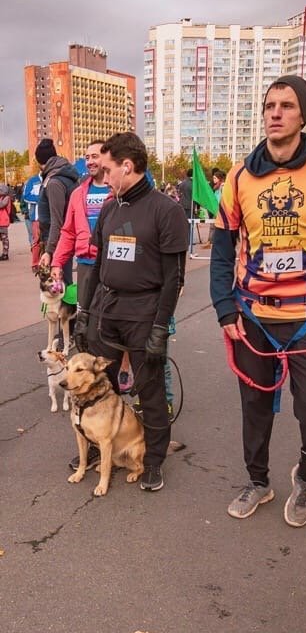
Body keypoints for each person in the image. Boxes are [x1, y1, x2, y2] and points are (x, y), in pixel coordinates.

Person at [210, 74, 306, 526]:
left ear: (303, 115)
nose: (275, 113)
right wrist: (224, 307)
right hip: (252, 315)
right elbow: (222, 250)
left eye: (287, 105)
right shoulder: (238, 177)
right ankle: (258, 481)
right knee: (254, 407)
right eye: (270, 105)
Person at [72, 132, 189, 492]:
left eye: (108, 170)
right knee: (96, 385)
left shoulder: (165, 210)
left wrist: (159, 327)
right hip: (108, 310)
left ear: (127, 166)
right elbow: (97, 264)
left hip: (145, 313)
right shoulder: (109, 208)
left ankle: (153, 460)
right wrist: (84, 312)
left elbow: (174, 279)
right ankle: (96, 445)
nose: (103, 178)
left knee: (149, 392)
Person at [50, 140, 111, 312]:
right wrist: (57, 262)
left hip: (112, 266)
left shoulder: (117, 191)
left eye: (95, 156)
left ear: (107, 159)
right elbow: (68, 232)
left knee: (110, 320)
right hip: (86, 265)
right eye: (87, 157)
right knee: (85, 318)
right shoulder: (77, 194)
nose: (90, 161)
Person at [35, 139, 80, 285]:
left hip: (58, 241)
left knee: (60, 285)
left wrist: (49, 250)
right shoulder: (64, 175)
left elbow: (57, 221)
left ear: (41, 163)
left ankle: (67, 308)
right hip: (61, 239)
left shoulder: (54, 182)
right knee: (62, 283)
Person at [0, 184, 12, 260]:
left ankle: (5, 254)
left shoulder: (6, 198)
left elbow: (1, 205)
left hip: (3, 221)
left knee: (4, 238)